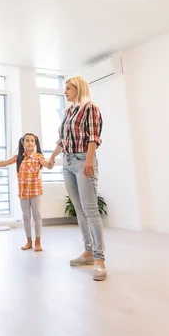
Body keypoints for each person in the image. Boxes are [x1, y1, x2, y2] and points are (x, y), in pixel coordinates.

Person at [48, 76, 107, 281]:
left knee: (90, 210)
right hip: (68, 162)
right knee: (80, 210)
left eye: (68, 88)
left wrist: (89, 161)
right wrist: (53, 157)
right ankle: (88, 252)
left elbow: (93, 137)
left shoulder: (90, 108)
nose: (65, 92)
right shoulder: (69, 112)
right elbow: (63, 140)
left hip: (83, 161)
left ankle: (99, 260)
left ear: (78, 88)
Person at [0, 133, 53, 252]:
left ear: (35, 143)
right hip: (23, 192)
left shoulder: (38, 157)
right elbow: (5, 163)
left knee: (36, 215)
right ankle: (29, 242)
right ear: (23, 143)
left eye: (32, 141)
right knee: (26, 216)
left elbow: (47, 165)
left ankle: (38, 242)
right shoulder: (19, 157)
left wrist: (51, 161)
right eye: (27, 140)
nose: (29, 143)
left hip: (35, 191)